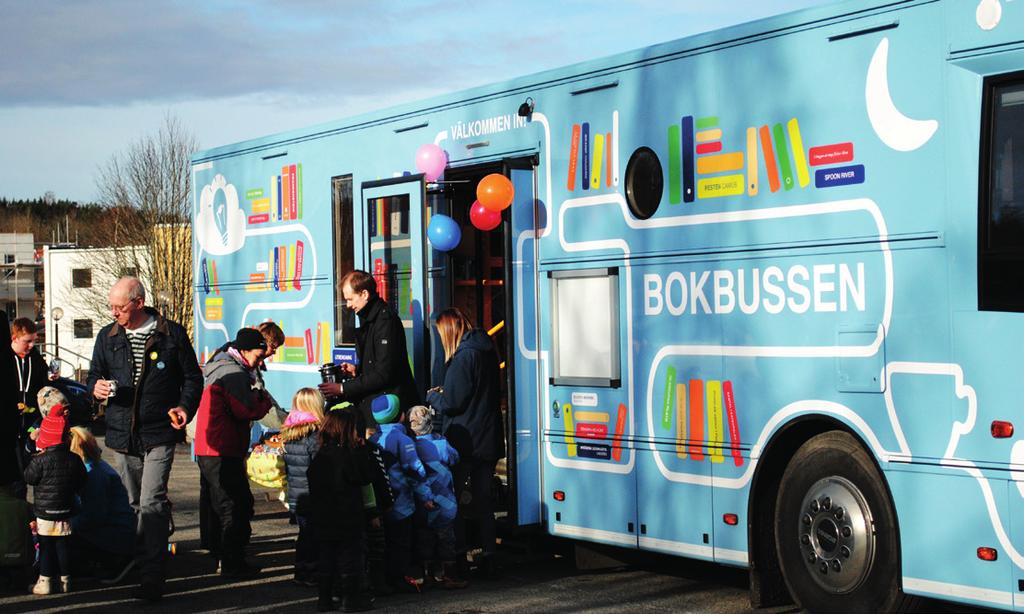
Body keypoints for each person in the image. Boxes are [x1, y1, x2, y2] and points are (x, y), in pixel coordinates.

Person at [85, 276, 203, 601]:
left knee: (151, 503)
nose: (114, 313)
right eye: (112, 307)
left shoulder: (171, 334)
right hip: (122, 434)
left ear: (138, 303)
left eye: (119, 308)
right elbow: (94, 374)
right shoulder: (107, 337)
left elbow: (193, 378)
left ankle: (152, 576)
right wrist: (95, 388)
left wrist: (183, 407)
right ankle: (140, 558)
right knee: (134, 503)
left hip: (159, 432)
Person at [424, 308, 504, 577]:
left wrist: (434, 397)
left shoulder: (462, 357)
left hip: (464, 439)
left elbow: (453, 403)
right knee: (484, 501)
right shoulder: (487, 349)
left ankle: (458, 555)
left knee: (453, 499)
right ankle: (490, 556)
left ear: (448, 332)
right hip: (488, 435)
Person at [193, 327, 273, 578]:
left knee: (224, 504)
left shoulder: (222, 365)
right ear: (244, 351)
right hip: (222, 447)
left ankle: (222, 556)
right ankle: (232, 564)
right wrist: (264, 401)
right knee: (234, 506)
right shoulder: (234, 374)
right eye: (259, 356)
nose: (260, 362)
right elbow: (245, 410)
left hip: (211, 447)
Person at [308, 410, 391, 612]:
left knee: (326, 559)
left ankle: (324, 598)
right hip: (347, 518)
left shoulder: (321, 455)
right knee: (350, 560)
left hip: (323, 517)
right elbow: (365, 477)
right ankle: (351, 600)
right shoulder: (348, 455)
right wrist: (363, 452)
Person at [318, 270, 418, 426]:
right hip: (379, 407)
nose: (349, 305)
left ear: (364, 294)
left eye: (350, 299)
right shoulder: (372, 319)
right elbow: (377, 365)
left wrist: (343, 388)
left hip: (387, 411)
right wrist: (356, 371)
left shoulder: (385, 321)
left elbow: (384, 372)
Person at [23, 386, 87, 595]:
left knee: (46, 546)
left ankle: (45, 580)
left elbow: (29, 478)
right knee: (62, 546)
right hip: (66, 510)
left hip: (44, 512)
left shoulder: (40, 461)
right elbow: (81, 480)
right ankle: (66, 580)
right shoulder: (74, 459)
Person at [368, 394, 434, 591]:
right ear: (401, 417)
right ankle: (398, 579)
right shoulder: (402, 439)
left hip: (382, 500)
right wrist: (427, 496)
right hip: (401, 502)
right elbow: (414, 469)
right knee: (401, 543)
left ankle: (384, 578)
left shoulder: (374, 438)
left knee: (384, 542)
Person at [408, 405, 466, 589]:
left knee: (424, 538)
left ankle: (427, 575)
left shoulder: (411, 447)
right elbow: (455, 458)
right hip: (445, 503)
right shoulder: (441, 444)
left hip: (422, 502)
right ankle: (449, 575)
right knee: (446, 540)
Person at [67, 426, 135, 583]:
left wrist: (69, 524)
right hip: (119, 530)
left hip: (114, 536)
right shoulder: (96, 467)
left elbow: (94, 516)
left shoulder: (92, 475)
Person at [280, 387, 325, 587]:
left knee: (304, 535)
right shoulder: (315, 436)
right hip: (314, 495)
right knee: (314, 536)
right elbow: (319, 467)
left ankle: (301, 570)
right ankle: (312, 571)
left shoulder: (289, 433)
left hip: (297, 495)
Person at [10, 318, 51, 496]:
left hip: (33, 428)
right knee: (16, 481)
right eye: (27, 341)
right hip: (10, 430)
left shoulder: (36, 359)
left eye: (34, 340)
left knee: (38, 476)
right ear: (14, 338)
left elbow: (45, 387)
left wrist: (51, 379)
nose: (32, 345)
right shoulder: (5, 359)